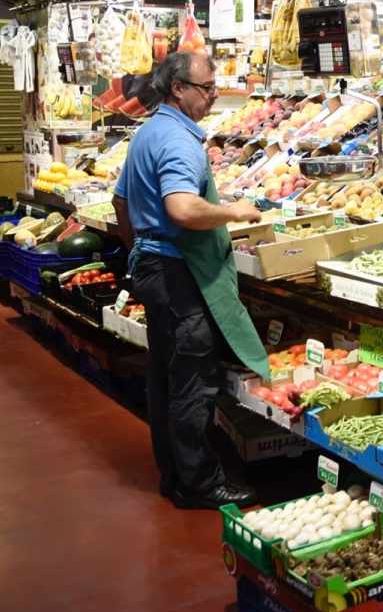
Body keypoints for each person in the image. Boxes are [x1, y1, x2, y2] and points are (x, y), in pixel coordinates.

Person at [113, 52, 269, 509]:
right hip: (177, 270)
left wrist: (137, 251)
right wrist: (234, 211)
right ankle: (199, 483)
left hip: (154, 266)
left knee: (165, 375)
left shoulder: (149, 132)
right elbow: (182, 209)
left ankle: (174, 473)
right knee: (192, 380)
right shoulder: (180, 142)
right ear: (177, 88)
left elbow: (120, 200)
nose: (213, 94)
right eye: (206, 87)